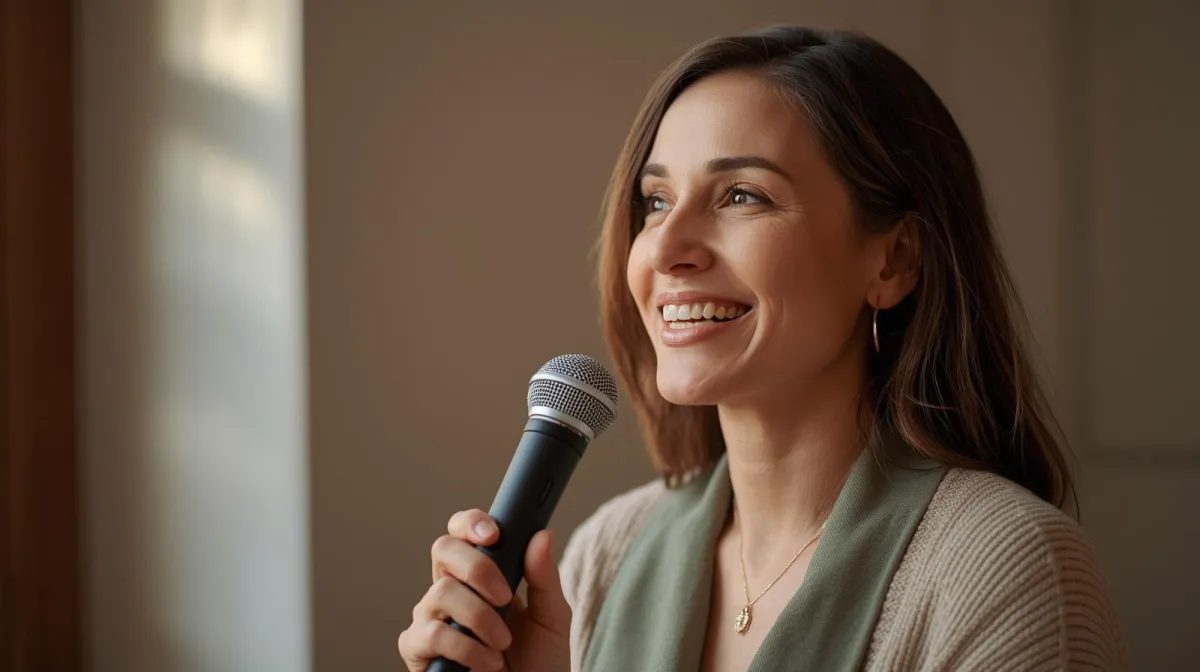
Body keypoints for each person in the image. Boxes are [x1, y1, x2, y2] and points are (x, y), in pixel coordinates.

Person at [397, 25, 1129, 671]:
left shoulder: (1009, 572)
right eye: (655, 202)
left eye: (742, 195)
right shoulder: (604, 556)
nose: (668, 248)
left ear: (895, 260)